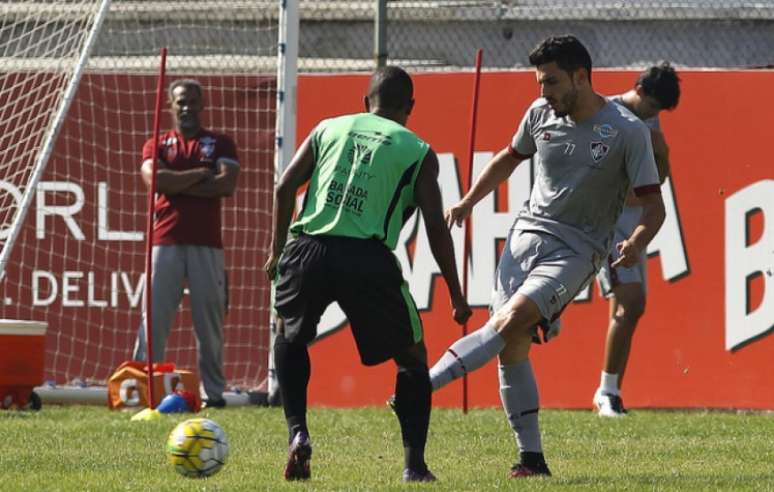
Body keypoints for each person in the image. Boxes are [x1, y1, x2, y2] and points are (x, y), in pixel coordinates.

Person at [428, 35, 666, 477]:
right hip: (524, 239)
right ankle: (531, 460)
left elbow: (656, 207)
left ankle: (422, 387)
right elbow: (509, 158)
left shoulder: (627, 131)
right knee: (512, 344)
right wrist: (467, 202)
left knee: (509, 321)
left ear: (581, 77)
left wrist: (634, 242)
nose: (544, 93)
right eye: (540, 82)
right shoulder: (539, 115)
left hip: (578, 249)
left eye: (552, 82)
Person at [264, 66, 471, 482]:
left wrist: (275, 252)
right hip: (367, 258)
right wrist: (455, 292)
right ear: (410, 107)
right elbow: (435, 226)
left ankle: (298, 432)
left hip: (308, 249)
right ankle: (414, 466)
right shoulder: (417, 150)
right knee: (412, 359)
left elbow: (285, 188)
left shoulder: (329, 129)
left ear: (365, 102)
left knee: (289, 335)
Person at [133, 79, 240, 409]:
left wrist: (177, 184)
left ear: (202, 105)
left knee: (209, 322)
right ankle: (140, 388)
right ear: (170, 105)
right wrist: (199, 175)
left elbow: (226, 185)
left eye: (193, 101)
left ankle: (214, 394)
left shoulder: (220, 143)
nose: (187, 107)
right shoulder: (157, 143)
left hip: (207, 244)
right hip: (165, 240)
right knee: (154, 319)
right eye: (181, 102)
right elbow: (157, 181)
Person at [593, 63, 681, 417]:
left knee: (625, 308)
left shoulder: (650, 121)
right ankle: (607, 392)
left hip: (636, 224)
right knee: (633, 301)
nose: (655, 115)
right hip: (609, 222)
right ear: (640, 91)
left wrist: (663, 153)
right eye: (653, 107)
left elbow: (656, 182)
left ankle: (610, 392)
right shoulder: (607, 113)